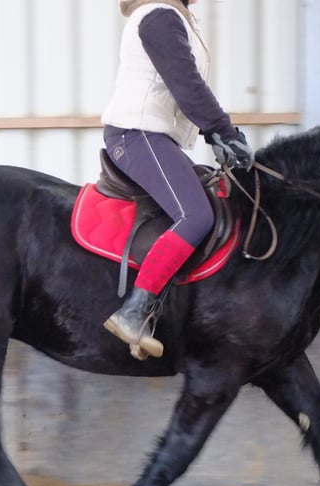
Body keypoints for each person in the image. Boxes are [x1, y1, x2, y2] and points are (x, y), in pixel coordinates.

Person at [101, 0, 253, 360]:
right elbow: (186, 84)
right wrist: (223, 131)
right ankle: (134, 312)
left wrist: (217, 133)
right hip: (136, 135)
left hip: (155, 136)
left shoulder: (175, 16)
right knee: (196, 215)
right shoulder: (159, 16)